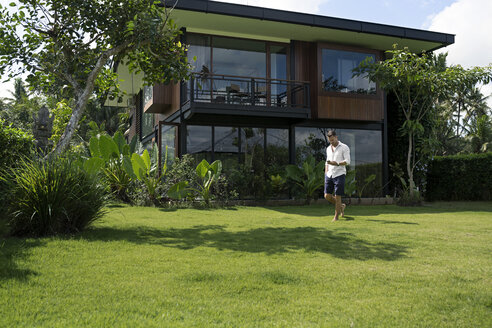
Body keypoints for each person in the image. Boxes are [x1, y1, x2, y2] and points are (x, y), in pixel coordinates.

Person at [324, 130, 350, 222]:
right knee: (327, 196)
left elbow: (347, 161)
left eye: (332, 140)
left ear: (336, 137)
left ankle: (336, 217)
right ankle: (341, 206)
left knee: (338, 196)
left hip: (340, 174)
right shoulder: (328, 148)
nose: (331, 142)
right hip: (329, 174)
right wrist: (326, 172)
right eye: (330, 140)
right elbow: (327, 161)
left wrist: (337, 163)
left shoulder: (344, 147)